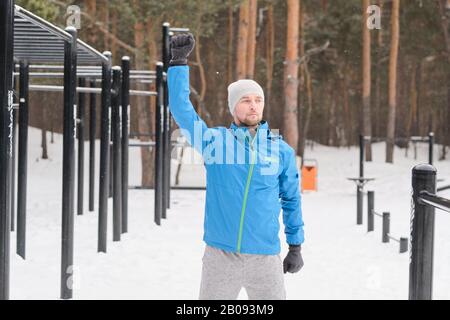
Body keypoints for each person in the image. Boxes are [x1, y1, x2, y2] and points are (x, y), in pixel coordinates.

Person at [167, 33, 304, 300]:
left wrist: (296, 245)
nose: (253, 105)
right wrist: (179, 64)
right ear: (233, 107)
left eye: (258, 100)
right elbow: (181, 109)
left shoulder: (281, 151)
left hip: (265, 257)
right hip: (221, 255)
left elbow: (291, 199)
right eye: (245, 100)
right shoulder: (215, 142)